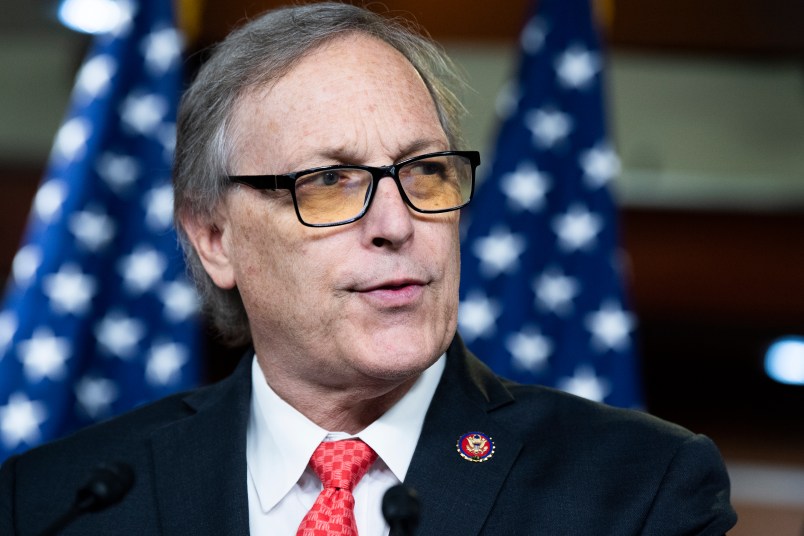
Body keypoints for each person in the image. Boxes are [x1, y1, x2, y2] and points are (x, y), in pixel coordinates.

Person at [0, 3, 736, 535]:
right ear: (215, 236)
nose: (397, 223)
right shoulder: (55, 503)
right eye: (330, 182)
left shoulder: (638, 489)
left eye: (426, 172)